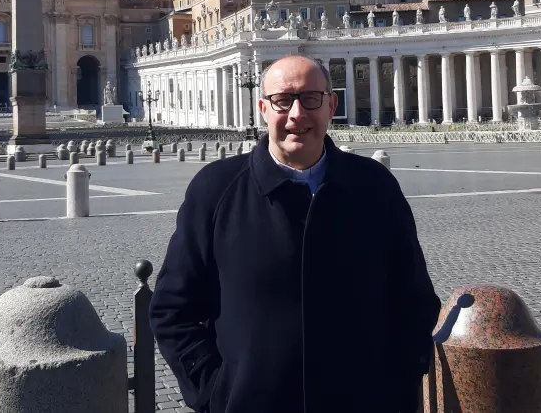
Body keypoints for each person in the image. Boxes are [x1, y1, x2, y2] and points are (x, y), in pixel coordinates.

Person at [150, 54, 440, 413]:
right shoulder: (215, 190)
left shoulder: (375, 186)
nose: (297, 115)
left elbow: (414, 299)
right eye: (282, 100)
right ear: (263, 109)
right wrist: (216, 393)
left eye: (310, 99)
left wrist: (398, 386)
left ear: (331, 105)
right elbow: (172, 308)